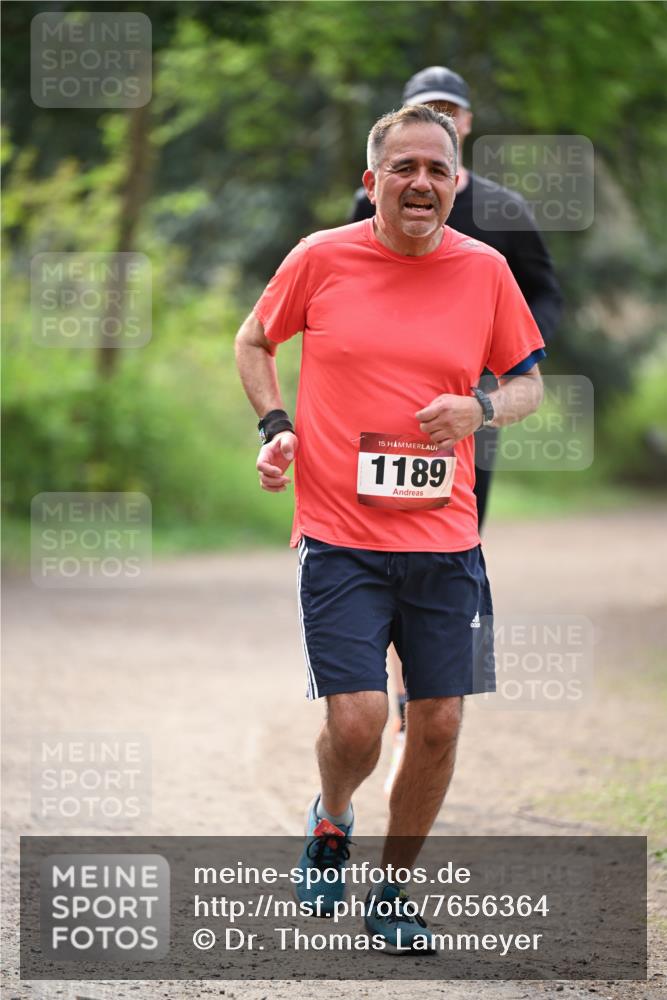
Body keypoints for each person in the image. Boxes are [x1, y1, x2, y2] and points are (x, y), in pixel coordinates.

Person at [235, 104, 545, 952]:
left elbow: (527, 384)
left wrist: (477, 407)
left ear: (456, 183)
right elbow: (255, 340)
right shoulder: (321, 257)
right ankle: (332, 821)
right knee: (359, 722)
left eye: (436, 170)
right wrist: (276, 429)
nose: (420, 183)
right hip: (340, 539)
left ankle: (395, 892)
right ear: (372, 183)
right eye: (402, 168)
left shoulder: (484, 271)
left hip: (447, 543)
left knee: (439, 723)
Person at [349, 68, 562, 786]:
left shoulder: (501, 209)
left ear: (464, 126)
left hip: (470, 406)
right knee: (374, 536)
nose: (419, 181)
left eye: (448, 114)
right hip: (379, 413)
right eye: (424, 111)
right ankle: (382, 681)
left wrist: (504, 370)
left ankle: (427, 687)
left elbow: (544, 294)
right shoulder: (371, 198)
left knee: (450, 540)